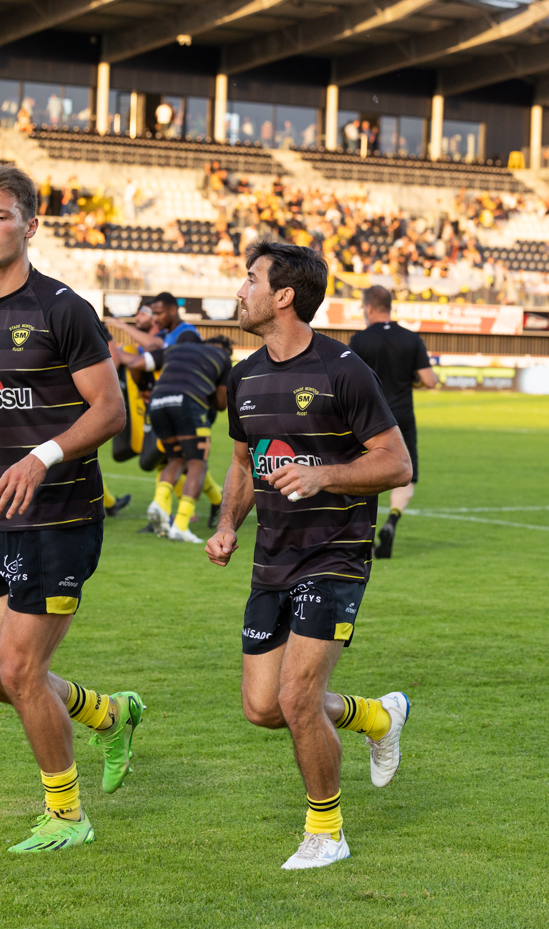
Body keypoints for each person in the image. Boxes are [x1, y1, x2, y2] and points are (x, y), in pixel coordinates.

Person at [0, 164, 143, 853]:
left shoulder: (63, 309)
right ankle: (108, 713)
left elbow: (109, 410)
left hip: (61, 520)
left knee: (19, 671)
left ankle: (67, 815)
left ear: (30, 225)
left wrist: (42, 457)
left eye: (1, 215)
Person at [206, 241, 413, 870]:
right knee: (263, 707)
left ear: (283, 296)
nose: (240, 290)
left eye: (250, 279)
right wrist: (227, 524)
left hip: (335, 553)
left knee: (297, 699)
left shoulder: (342, 369)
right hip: (272, 556)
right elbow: (244, 462)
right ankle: (376, 717)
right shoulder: (244, 376)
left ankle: (327, 833)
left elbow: (396, 463)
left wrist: (324, 475)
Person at [113, 331, 233, 543]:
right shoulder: (222, 357)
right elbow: (222, 403)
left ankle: (159, 502)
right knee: (197, 464)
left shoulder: (172, 349)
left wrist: (144, 389)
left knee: (175, 459)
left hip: (158, 402)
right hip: (188, 403)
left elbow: (135, 364)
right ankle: (181, 525)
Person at [348, 285, 437, 558]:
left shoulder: (360, 340)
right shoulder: (411, 338)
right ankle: (392, 520)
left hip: (366, 418)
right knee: (405, 471)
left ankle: (364, 535)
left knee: (361, 474)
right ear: (390, 307)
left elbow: (349, 380)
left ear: (369, 308)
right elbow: (430, 381)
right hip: (401, 417)